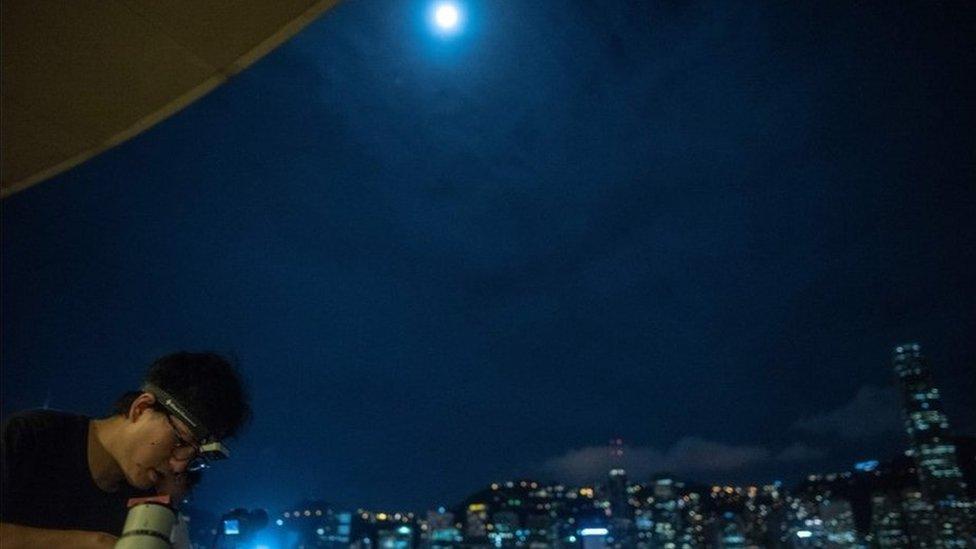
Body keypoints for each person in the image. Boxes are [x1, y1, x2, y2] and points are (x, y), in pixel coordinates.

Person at [0, 352, 250, 548]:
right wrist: (94, 543)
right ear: (140, 409)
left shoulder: (144, 506)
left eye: (194, 458)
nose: (179, 466)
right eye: (181, 442)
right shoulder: (34, 436)